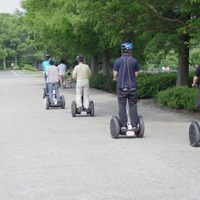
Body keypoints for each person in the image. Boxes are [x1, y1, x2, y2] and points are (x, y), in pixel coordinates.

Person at [113, 42, 139, 132]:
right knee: (133, 106)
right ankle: (134, 125)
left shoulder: (118, 61)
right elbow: (136, 74)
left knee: (122, 105)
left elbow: (115, 74)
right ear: (130, 51)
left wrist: (116, 79)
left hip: (121, 87)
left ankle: (123, 126)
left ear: (122, 50)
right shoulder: (134, 61)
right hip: (132, 87)